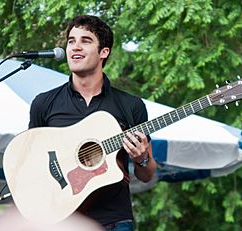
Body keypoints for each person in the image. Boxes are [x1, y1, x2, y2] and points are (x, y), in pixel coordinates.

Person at [29, 15, 157, 231]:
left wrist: (142, 159)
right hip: (61, 220)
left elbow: (146, 175)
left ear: (103, 52)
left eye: (85, 41)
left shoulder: (130, 106)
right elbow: (30, 162)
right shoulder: (44, 103)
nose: (75, 47)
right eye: (71, 41)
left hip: (114, 221)